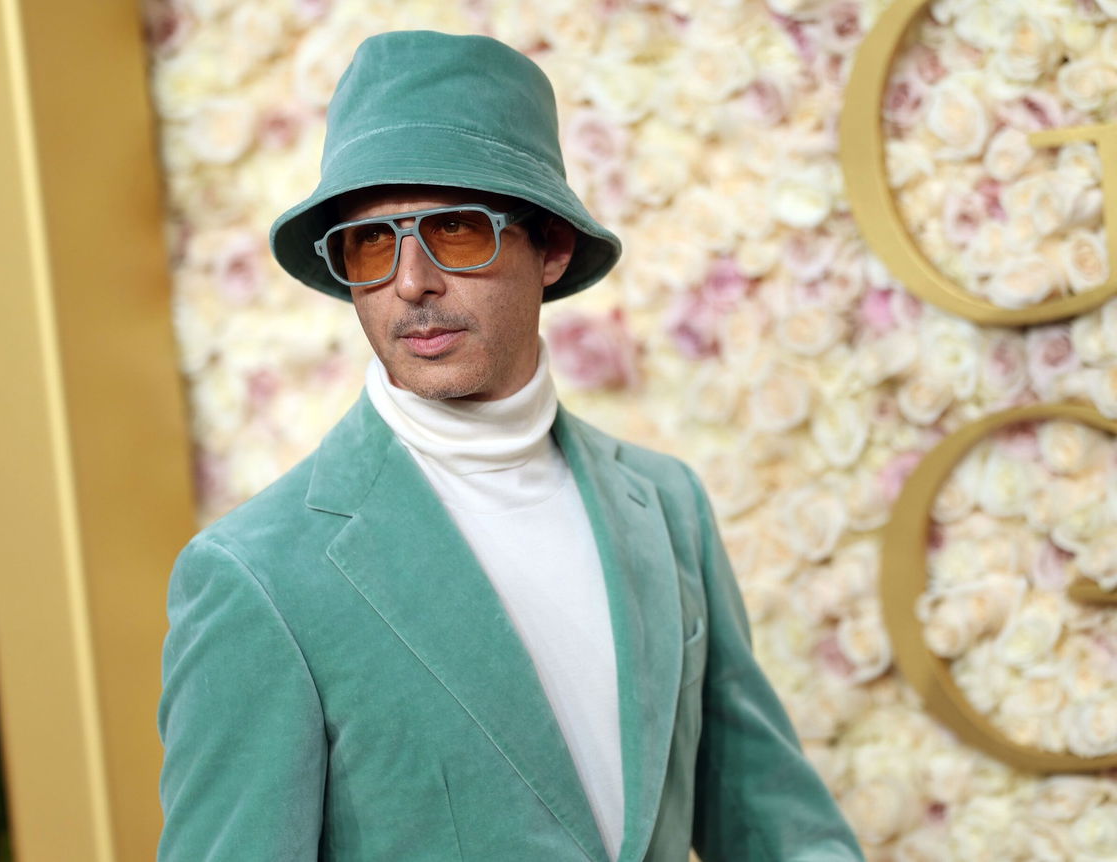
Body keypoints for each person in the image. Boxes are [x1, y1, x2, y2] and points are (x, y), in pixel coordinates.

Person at [158, 29, 865, 862]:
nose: (412, 282)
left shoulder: (666, 505)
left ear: (552, 249)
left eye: (457, 232)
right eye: (372, 244)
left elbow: (770, 821)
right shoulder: (259, 576)